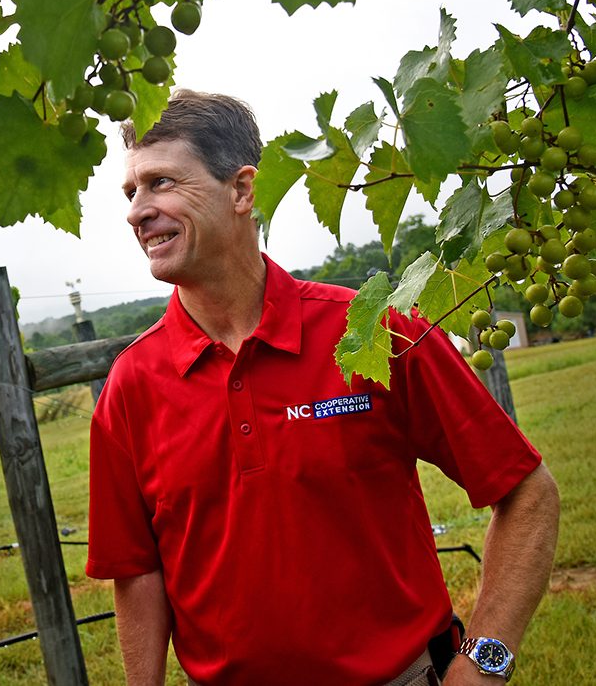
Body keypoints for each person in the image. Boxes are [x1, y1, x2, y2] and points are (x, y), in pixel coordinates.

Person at [86, 90, 561, 686]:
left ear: (240, 190)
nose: (137, 211)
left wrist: (484, 665)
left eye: (161, 183)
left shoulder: (371, 331)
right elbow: (138, 572)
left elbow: (526, 493)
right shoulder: (133, 384)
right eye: (130, 192)